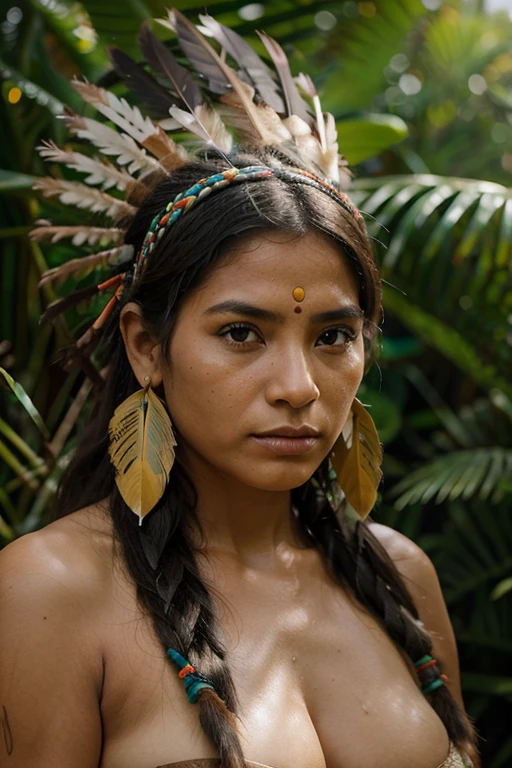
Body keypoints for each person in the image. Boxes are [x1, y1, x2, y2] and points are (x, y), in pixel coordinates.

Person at [0, 11, 479, 768]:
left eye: (332, 337)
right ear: (146, 345)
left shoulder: (400, 574)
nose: (298, 387)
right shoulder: (50, 589)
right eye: (241, 334)